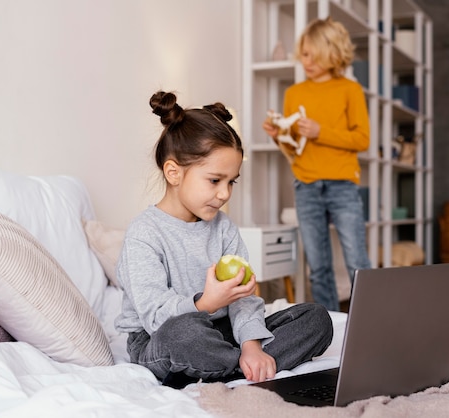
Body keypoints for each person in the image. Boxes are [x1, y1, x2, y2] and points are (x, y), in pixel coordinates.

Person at [115, 90, 333, 388]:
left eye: (232, 182)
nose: (225, 193)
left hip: (220, 331)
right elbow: (154, 316)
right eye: (215, 180)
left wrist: (252, 345)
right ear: (173, 173)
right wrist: (205, 303)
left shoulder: (224, 228)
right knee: (185, 334)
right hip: (160, 338)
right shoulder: (144, 233)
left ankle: (229, 367)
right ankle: (234, 368)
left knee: (317, 318)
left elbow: (244, 299)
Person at [263, 17, 371, 312]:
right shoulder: (294, 94)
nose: (304, 60)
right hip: (306, 185)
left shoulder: (350, 90)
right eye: (303, 53)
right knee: (318, 266)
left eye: (311, 54)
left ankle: (372, 320)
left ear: (330, 52)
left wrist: (320, 131)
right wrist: (278, 135)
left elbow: (362, 139)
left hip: (342, 185)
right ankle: (330, 326)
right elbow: (293, 149)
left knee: (357, 261)